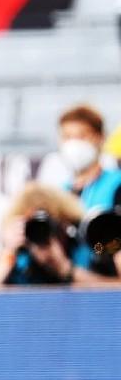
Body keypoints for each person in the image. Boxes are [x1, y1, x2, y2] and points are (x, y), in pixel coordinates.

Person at [0, 182, 116, 288]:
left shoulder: (86, 250)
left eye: (49, 226)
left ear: (64, 223)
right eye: (33, 227)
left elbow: (115, 292)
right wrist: (8, 252)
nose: (42, 234)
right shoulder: (21, 258)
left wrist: (66, 270)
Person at [57, 105, 121, 275]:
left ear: (100, 138)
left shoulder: (117, 184)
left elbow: (114, 245)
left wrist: (103, 249)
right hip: (66, 283)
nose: (73, 144)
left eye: (81, 136)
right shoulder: (60, 194)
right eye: (67, 137)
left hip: (106, 281)